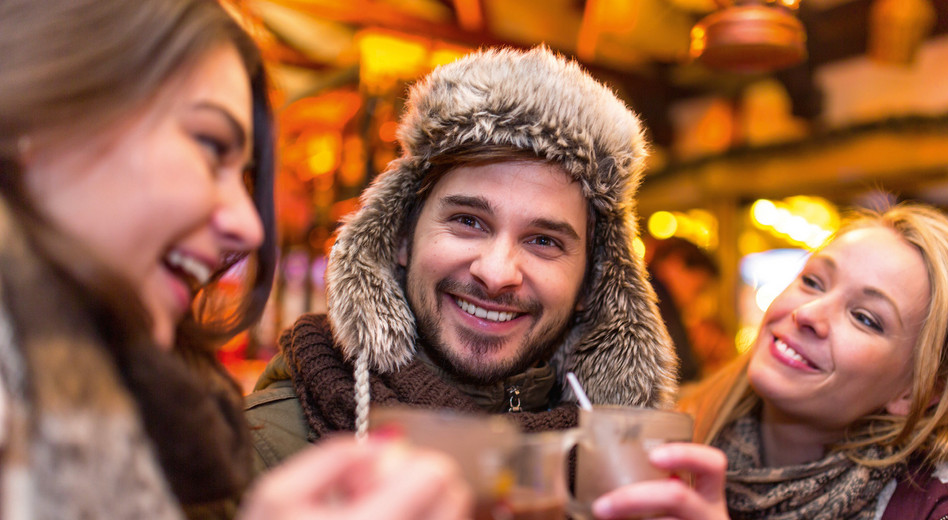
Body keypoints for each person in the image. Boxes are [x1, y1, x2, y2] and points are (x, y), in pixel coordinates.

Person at [0, 1, 470, 519]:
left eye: (545, 240)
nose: (249, 227)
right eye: (209, 144)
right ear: (41, 117)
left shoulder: (112, 407)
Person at [244, 45, 680, 470]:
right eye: (469, 221)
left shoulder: (614, 473)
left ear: (591, 284)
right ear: (400, 236)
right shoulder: (260, 456)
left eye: (544, 241)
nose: (495, 273)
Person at [592, 204, 948, 520]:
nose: (808, 314)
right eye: (813, 282)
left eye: (865, 318)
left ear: (915, 393)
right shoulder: (672, 433)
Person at [647, 237, 722, 383]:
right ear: (676, 262)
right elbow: (684, 373)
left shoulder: (648, 296)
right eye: (698, 290)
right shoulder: (658, 301)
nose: (695, 300)